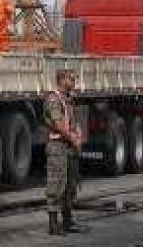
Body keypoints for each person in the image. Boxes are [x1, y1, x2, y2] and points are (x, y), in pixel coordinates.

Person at [43, 68, 88, 235]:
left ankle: (68, 221)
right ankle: (53, 225)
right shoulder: (53, 99)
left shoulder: (68, 99)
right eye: (71, 79)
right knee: (56, 184)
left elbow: (73, 122)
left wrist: (78, 135)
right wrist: (73, 139)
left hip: (68, 146)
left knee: (70, 184)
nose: (74, 82)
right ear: (62, 80)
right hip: (57, 146)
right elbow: (59, 124)